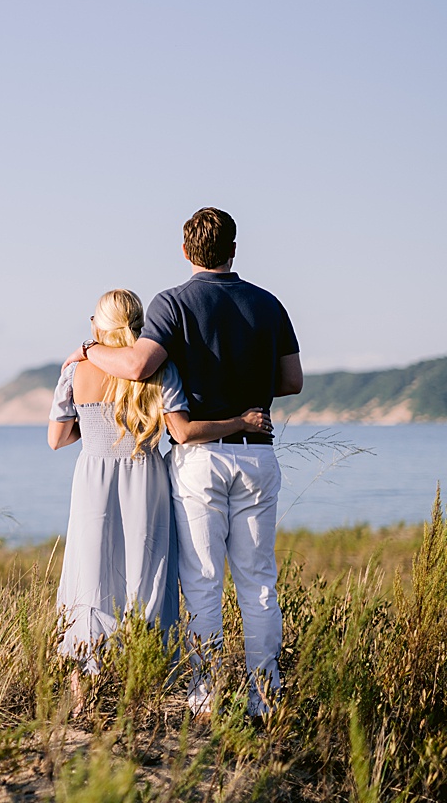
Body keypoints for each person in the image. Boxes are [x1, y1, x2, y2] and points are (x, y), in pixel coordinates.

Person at [65, 208, 303, 718]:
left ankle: (206, 696)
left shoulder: (173, 302)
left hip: (199, 458)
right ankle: (266, 697)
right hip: (258, 453)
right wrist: (248, 401)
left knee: (202, 580)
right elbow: (291, 381)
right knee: (259, 580)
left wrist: (87, 348)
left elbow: (135, 365)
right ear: (235, 246)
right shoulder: (269, 304)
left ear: (185, 251)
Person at [48, 288, 271, 706]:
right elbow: (181, 430)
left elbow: (57, 439)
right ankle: (144, 682)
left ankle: (83, 692)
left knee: (90, 573)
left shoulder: (74, 372)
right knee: (147, 572)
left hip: (93, 478)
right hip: (146, 477)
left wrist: (94, 430)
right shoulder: (160, 371)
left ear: (99, 325)